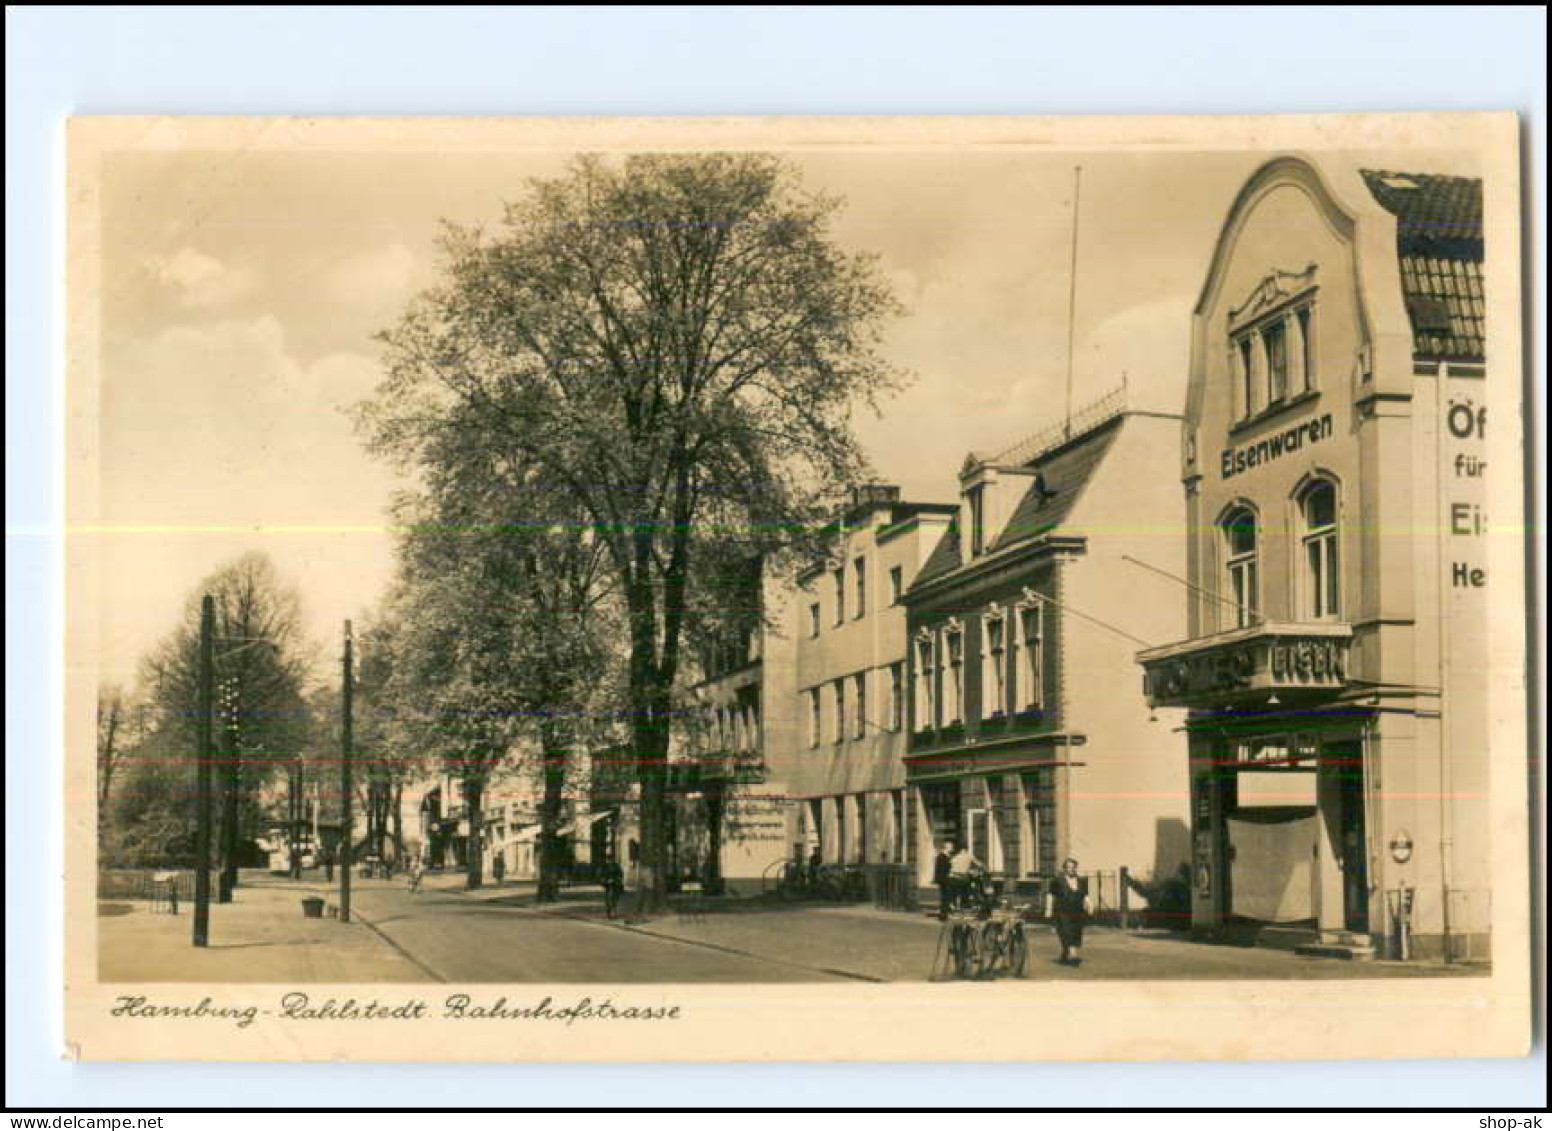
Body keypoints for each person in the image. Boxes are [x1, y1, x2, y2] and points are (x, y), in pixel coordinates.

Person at [1045, 857, 1092, 966]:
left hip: (1077, 911)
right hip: (1062, 911)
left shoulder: (1081, 881)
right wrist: (1048, 910)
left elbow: (1085, 895)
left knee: (1076, 932)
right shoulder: (1057, 880)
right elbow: (1050, 895)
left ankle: (1066, 952)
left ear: (1076, 868)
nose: (1071, 869)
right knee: (1066, 931)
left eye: (1073, 867)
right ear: (1064, 869)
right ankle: (1073, 954)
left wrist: (1089, 905)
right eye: (1068, 867)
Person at [947, 843, 983, 914]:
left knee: (955, 892)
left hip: (953, 878)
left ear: (960, 850)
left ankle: (954, 906)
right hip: (963, 878)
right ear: (966, 849)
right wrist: (975, 871)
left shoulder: (955, 857)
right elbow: (979, 864)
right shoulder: (969, 856)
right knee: (967, 889)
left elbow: (950, 866)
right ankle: (965, 904)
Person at [932, 842, 954, 920]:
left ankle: (944, 913)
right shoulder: (942, 857)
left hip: (944, 879)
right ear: (946, 847)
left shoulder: (945, 856)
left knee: (945, 897)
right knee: (945, 897)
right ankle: (943, 914)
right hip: (944, 880)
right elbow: (941, 869)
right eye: (951, 847)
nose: (952, 848)